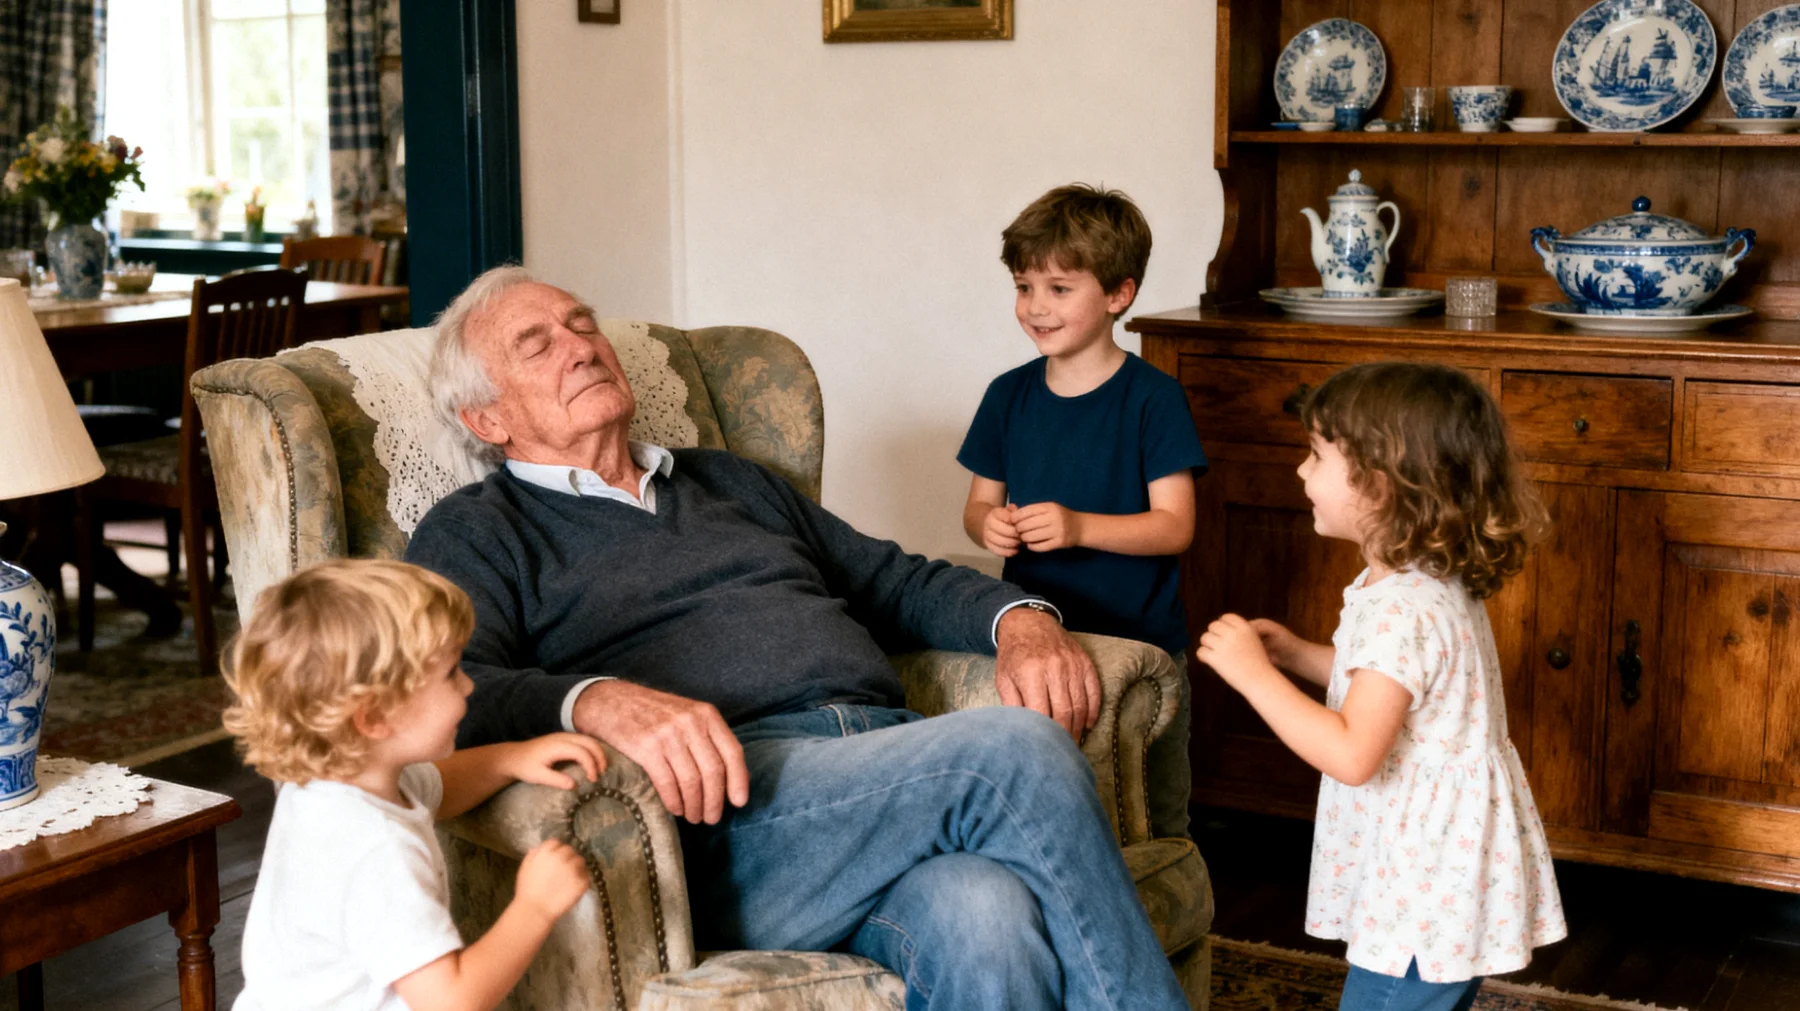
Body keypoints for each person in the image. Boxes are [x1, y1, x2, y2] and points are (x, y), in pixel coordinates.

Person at [402, 266, 1191, 1010]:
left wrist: (1020, 619)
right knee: (1015, 751)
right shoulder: (478, 530)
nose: (579, 346)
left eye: (582, 325)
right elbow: (456, 694)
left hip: (881, 765)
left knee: (985, 912)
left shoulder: (725, 479)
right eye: (537, 344)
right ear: (488, 419)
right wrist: (592, 701)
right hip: (738, 809)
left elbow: (895, 580)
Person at [1196, 363, 1567, 1011]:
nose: (1301, 471)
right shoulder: (1420, 580)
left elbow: (1352, 752)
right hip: (1439, 873)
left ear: (1381, 483)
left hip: (1421, 888)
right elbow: (1391, 690)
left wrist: (1254, 677)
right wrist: (1296, 655)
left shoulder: (1402, 608)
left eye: (1317, 455)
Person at [225, 558, 610, 1011]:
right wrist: (535, 907)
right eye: (450, 673)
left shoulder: (338, 784)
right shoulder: (375, 848)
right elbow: (452, 1002)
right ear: (374, 716)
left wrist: (510, 759)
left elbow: (442, 785)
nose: (468, 686)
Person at [959, 183, 1207, 840]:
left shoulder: (1154, 399)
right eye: (1024, 287)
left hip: (1143, 647)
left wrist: (1077, 527)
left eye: (1059, 288)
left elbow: (1176, 526)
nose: (1035, 306)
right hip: (1044, 646)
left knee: (1156, 819)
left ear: (1119, 295)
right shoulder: (1007, 396)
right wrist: (987, 525)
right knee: (1057, 810)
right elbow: (978, 506)